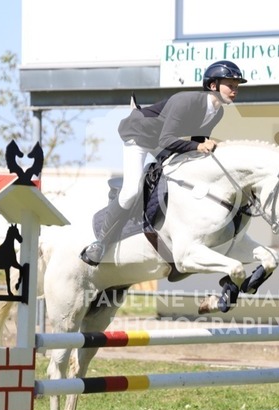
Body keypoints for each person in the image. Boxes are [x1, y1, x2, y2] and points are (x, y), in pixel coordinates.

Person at [80, 60, 247, 266]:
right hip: (140, 135)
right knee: (131, 191)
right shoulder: (186, 101)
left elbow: (196, 142)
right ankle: (100, 243)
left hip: (161, 141)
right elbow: (169, 141)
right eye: (230, 85)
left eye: (236, 86)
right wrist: (198, 146)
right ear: (213, 85)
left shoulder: (218, 112)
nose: (235, 90)